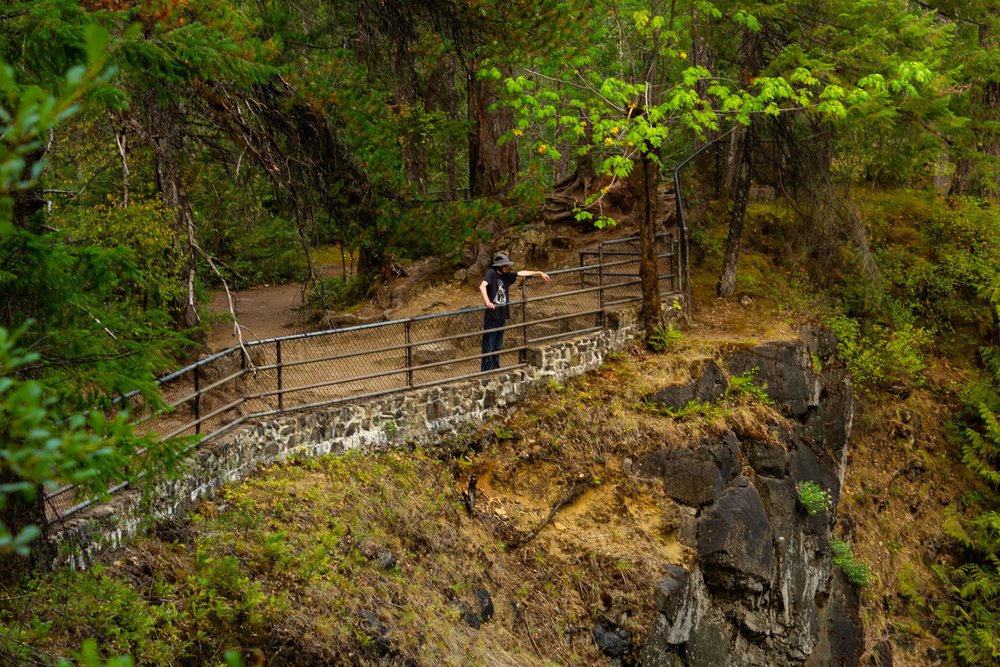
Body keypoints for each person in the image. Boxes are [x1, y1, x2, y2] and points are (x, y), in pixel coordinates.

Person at [479, 253, 549, 372]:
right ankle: (485, 370)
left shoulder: (507, 276)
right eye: (505, 265)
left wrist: (539, 272)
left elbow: (521, 272)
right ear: (499, 266)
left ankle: (495, 368)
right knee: (489, 344)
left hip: (502, 314)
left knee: (497, 344)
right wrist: (488, 302)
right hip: (491, 316)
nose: (507, 267)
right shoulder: (491, 273)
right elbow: (482, 286)